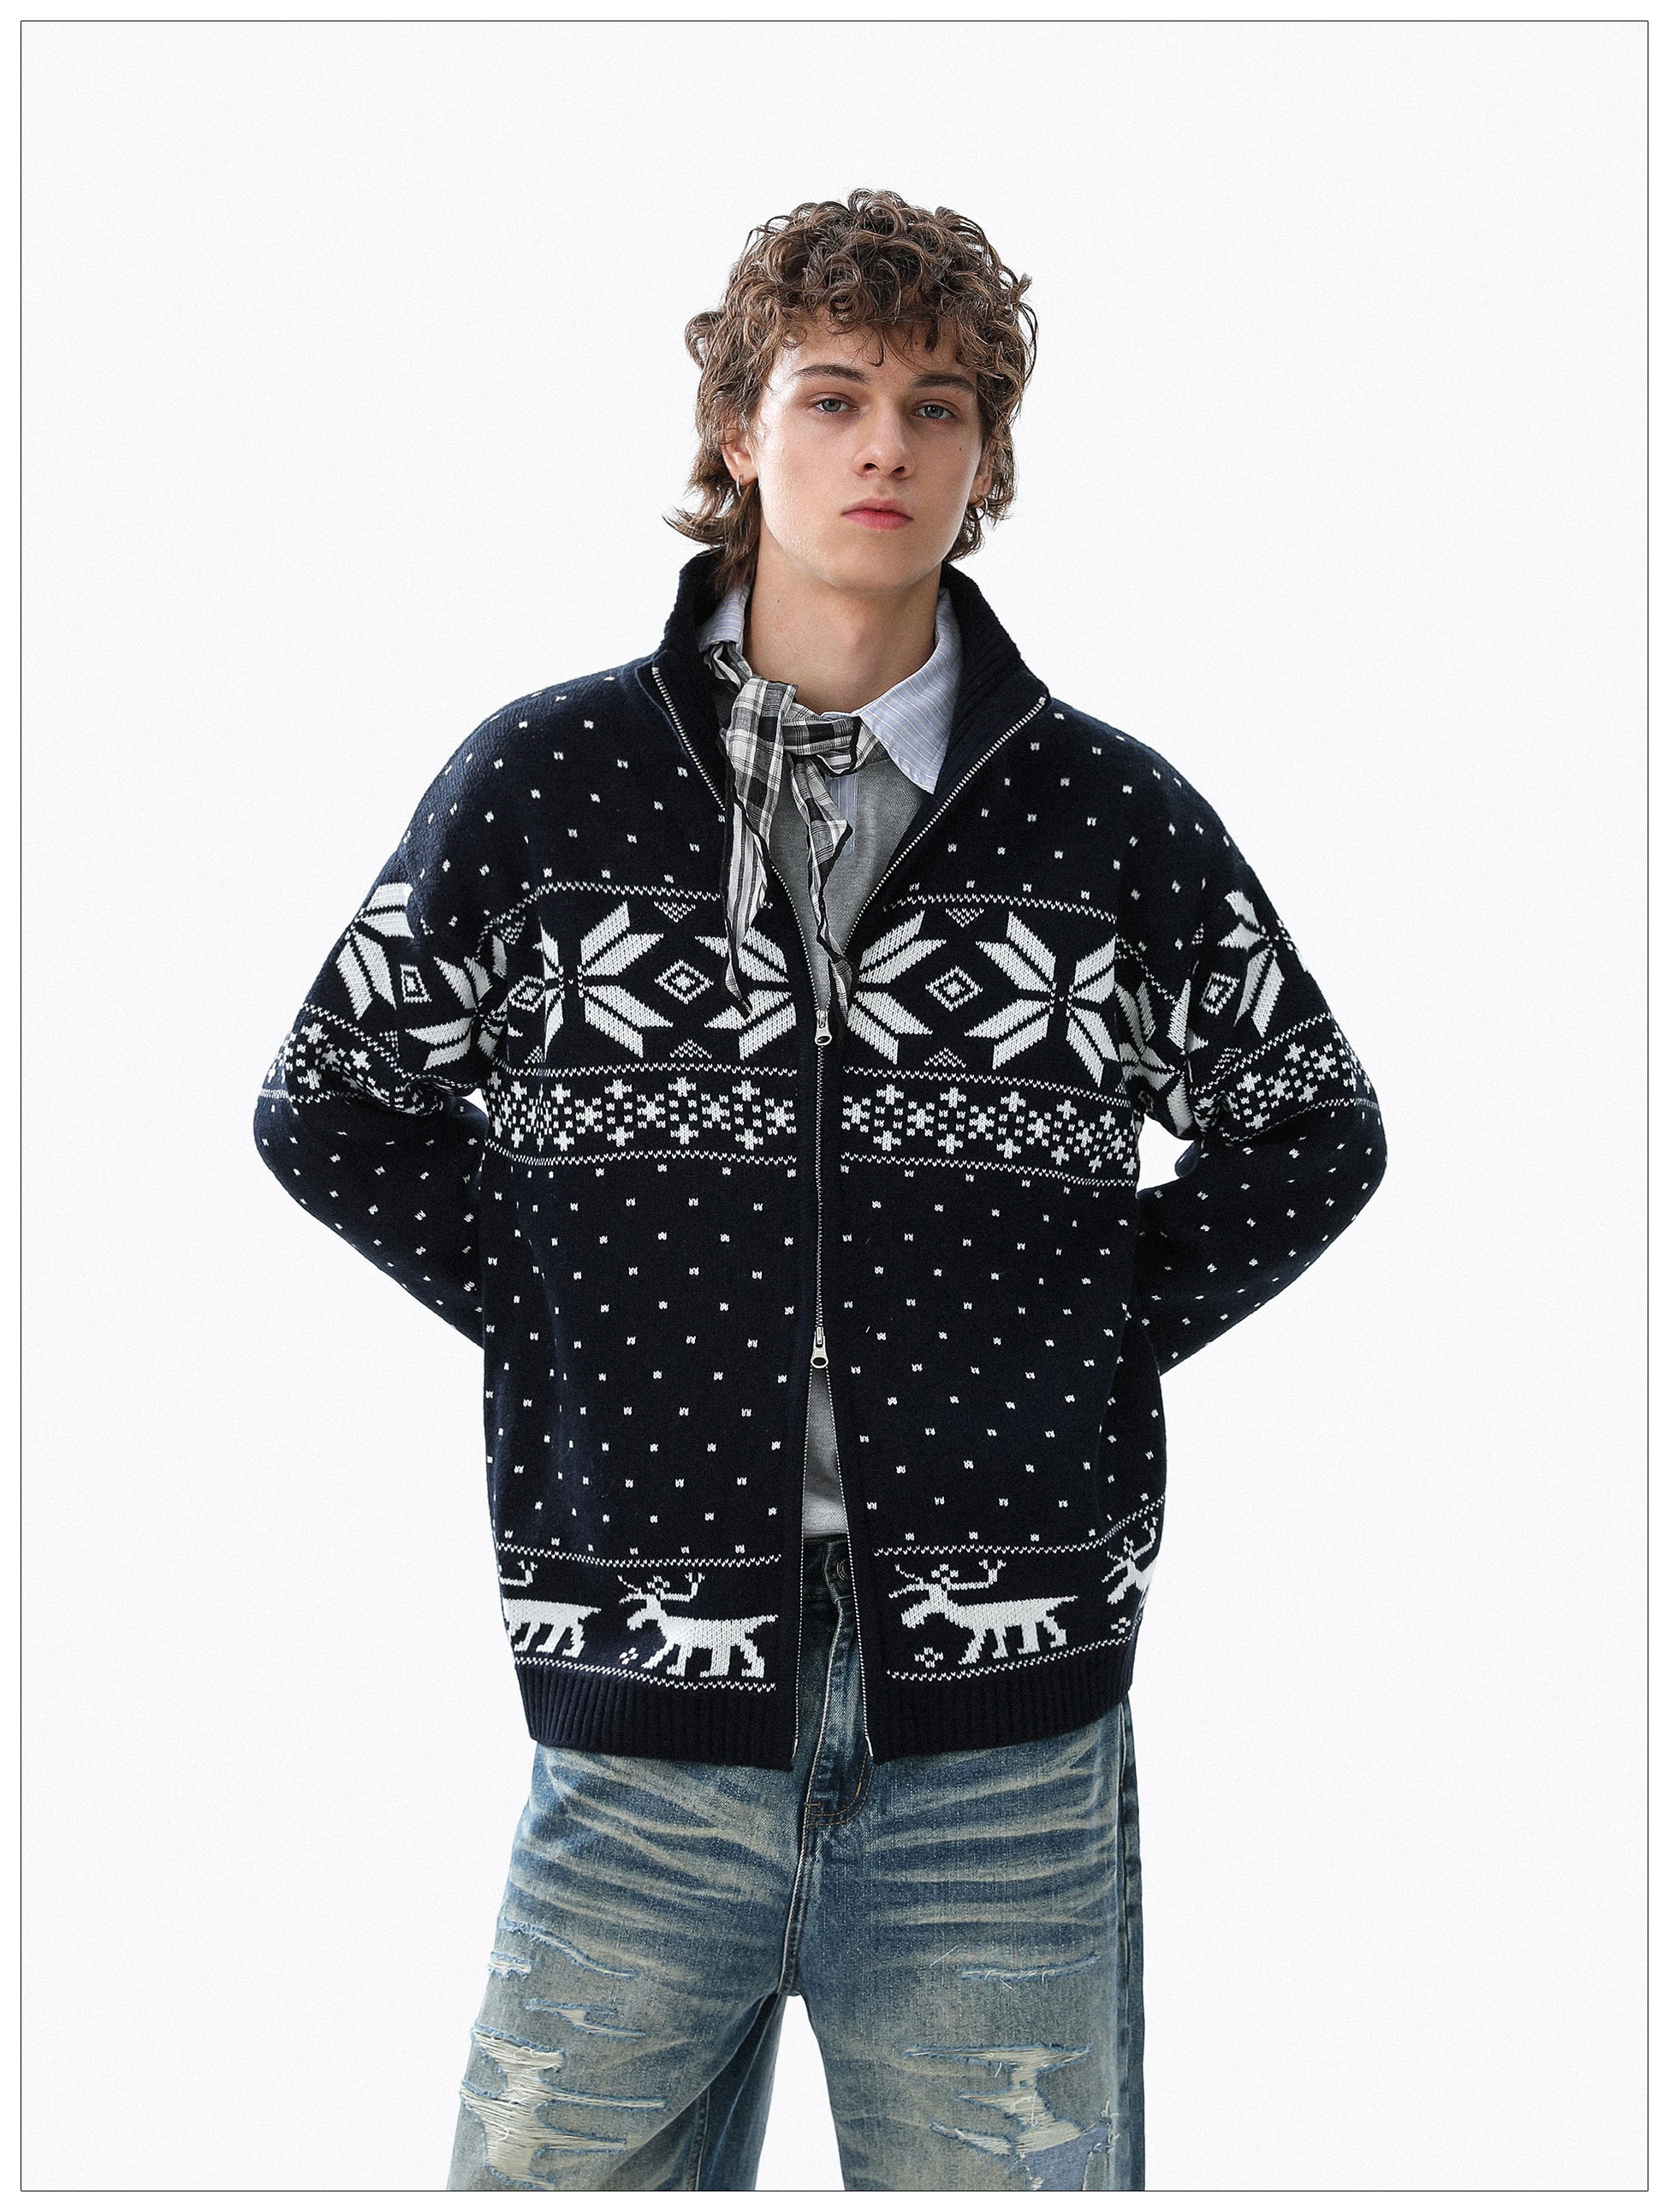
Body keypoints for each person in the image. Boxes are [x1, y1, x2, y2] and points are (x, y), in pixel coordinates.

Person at [253, 187, 1387, 2192]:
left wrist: (1081, 1335)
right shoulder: (548, 783)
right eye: (836, 394)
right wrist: (569, 1315)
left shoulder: (1108, 817)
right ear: (737, 430)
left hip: (1001, 1747)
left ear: (986, 455)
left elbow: (1311, 1123)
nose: (888, 446)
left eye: (940, 407)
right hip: (641, 1719)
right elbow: (331, 1101)